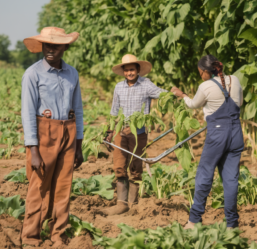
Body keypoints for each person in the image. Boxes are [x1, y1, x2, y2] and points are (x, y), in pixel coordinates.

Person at [20, 27, 84, 247]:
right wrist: (33, 150)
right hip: (43, 132)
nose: (50, 50)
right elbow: (28, 113)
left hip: (68, 131)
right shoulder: (32, 74)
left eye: (55, 46)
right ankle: (30, 237)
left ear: (64, 47)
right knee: (38, 187)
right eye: (47, 45)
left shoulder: (72, 73)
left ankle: (58, 234)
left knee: (63, 187)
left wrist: (79, 145)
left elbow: (78, 109)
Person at [171, 54, 244, 229]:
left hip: (217, 133)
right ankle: (232, 224)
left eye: (199, 72)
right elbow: (239, 103)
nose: (200, 75)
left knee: (204, 174)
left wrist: (182, 95)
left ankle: (194, 220)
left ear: (205, 71)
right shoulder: (234, 79)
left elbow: (193, 104)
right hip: (236, 132)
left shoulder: (206, 85)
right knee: (231, 179)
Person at [104, 54, 167, 215]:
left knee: (135, 166)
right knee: (119, 164)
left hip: (138, 132)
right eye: (127, 70)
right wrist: (110, 131)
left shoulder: (146, 85)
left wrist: (173, 94)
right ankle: (121, 203)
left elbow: (162, 94)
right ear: (123, 72)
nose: (129, 73)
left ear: (138, 70)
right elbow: (113, 111)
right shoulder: (119, 87)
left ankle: (133, 204)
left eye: (132, 70)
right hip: (121, 129)